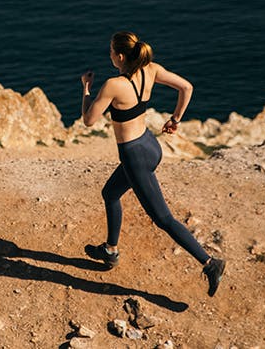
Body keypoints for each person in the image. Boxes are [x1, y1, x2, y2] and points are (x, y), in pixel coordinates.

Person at [80, 31, 226, 297]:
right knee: (110, 193)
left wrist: (86, 89)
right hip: (150, 146)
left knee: (163, 218)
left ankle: (209, 263)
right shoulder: (151, 70)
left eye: (111, 51)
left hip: (135, 156)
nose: (110, 55)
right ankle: (110, 250)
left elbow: (89, 120)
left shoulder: (114, 85)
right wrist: (176, 119)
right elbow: (187, 87)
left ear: (120, 56)